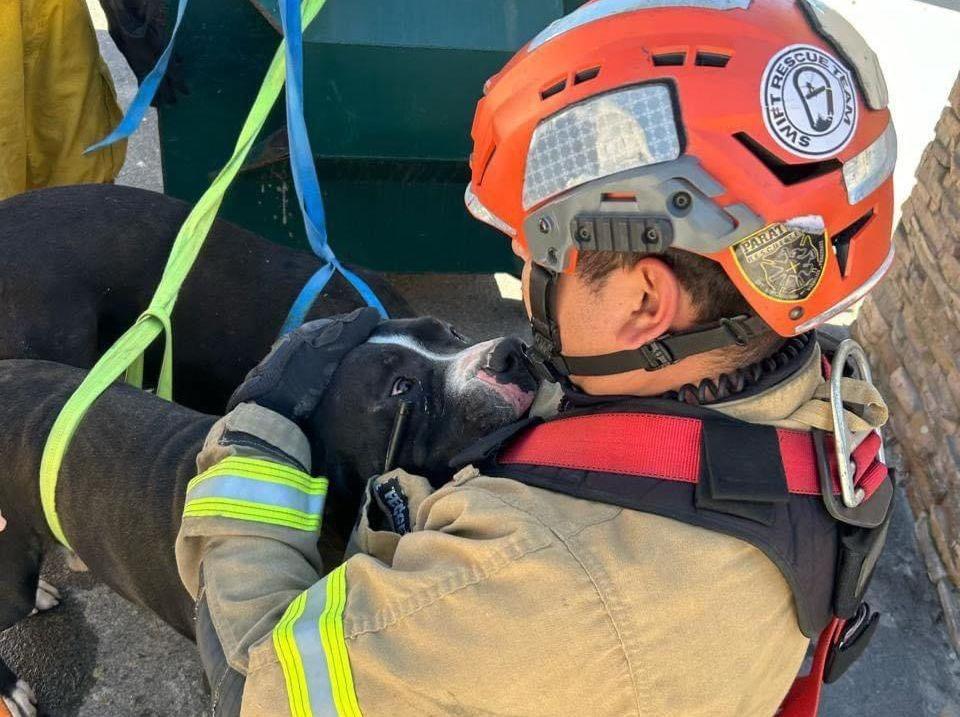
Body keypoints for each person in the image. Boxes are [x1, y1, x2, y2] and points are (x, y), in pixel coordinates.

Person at [175, 1, 897, 715]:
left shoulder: (537, 584)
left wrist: (254, 441)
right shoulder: (831, 410)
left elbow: (259, 684)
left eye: (544, 254)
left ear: (646, 303)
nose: (525, 279)